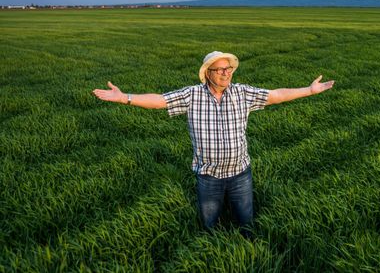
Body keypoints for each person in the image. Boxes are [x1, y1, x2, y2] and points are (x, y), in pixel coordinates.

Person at [92, 51, 334, 236]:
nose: (225, 73)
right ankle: (211, 251)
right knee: (210, 224)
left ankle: (247, 249)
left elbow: (276, 95)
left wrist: (309, 91)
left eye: (228, 69)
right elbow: (160, 100)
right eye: (219, 70)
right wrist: (125, 98)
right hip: (208, 177)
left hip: (240, 174)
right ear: (208, 73)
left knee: (246, 222)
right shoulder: (192, 95)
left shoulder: (242, 93)